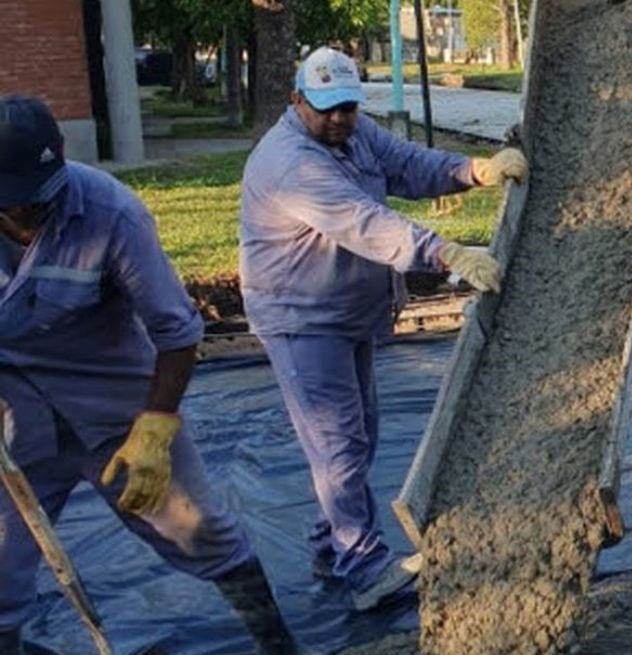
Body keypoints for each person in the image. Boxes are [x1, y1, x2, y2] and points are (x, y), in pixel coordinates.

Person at [0, 95, 298, 654]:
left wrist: (155, 430)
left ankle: (278, 644)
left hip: (115, 409)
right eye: (18, 208)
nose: (33, 219)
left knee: (199, 527)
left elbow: (177, 331)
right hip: (16, 421)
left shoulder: (112, 214)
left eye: (43, 202)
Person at [239, 47, 527, 611]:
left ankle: (330, 545)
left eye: (347, 106)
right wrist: (445, 252)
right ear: (297, 100)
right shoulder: (289, 164)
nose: (340, 118)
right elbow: (363, 222)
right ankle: (361, 566)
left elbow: (405, 164)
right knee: (338, 444)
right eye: (326, 109)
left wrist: (472, 171)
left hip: (347, 311)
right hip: (300, 318)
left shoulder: (355, 133)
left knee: (359, 437)